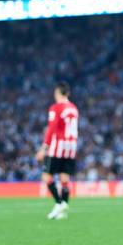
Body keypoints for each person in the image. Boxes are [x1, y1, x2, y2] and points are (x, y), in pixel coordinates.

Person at [36, 81, 79, 220]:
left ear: (58, 93)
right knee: (64, 178)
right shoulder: (74, 108)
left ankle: (59, 203)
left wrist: (44, 148)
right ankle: (64, 206)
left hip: (58, 147)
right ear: (69, 94)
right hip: (71, 147)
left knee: (46, 176)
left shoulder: (56, 108)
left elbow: (51, 128)